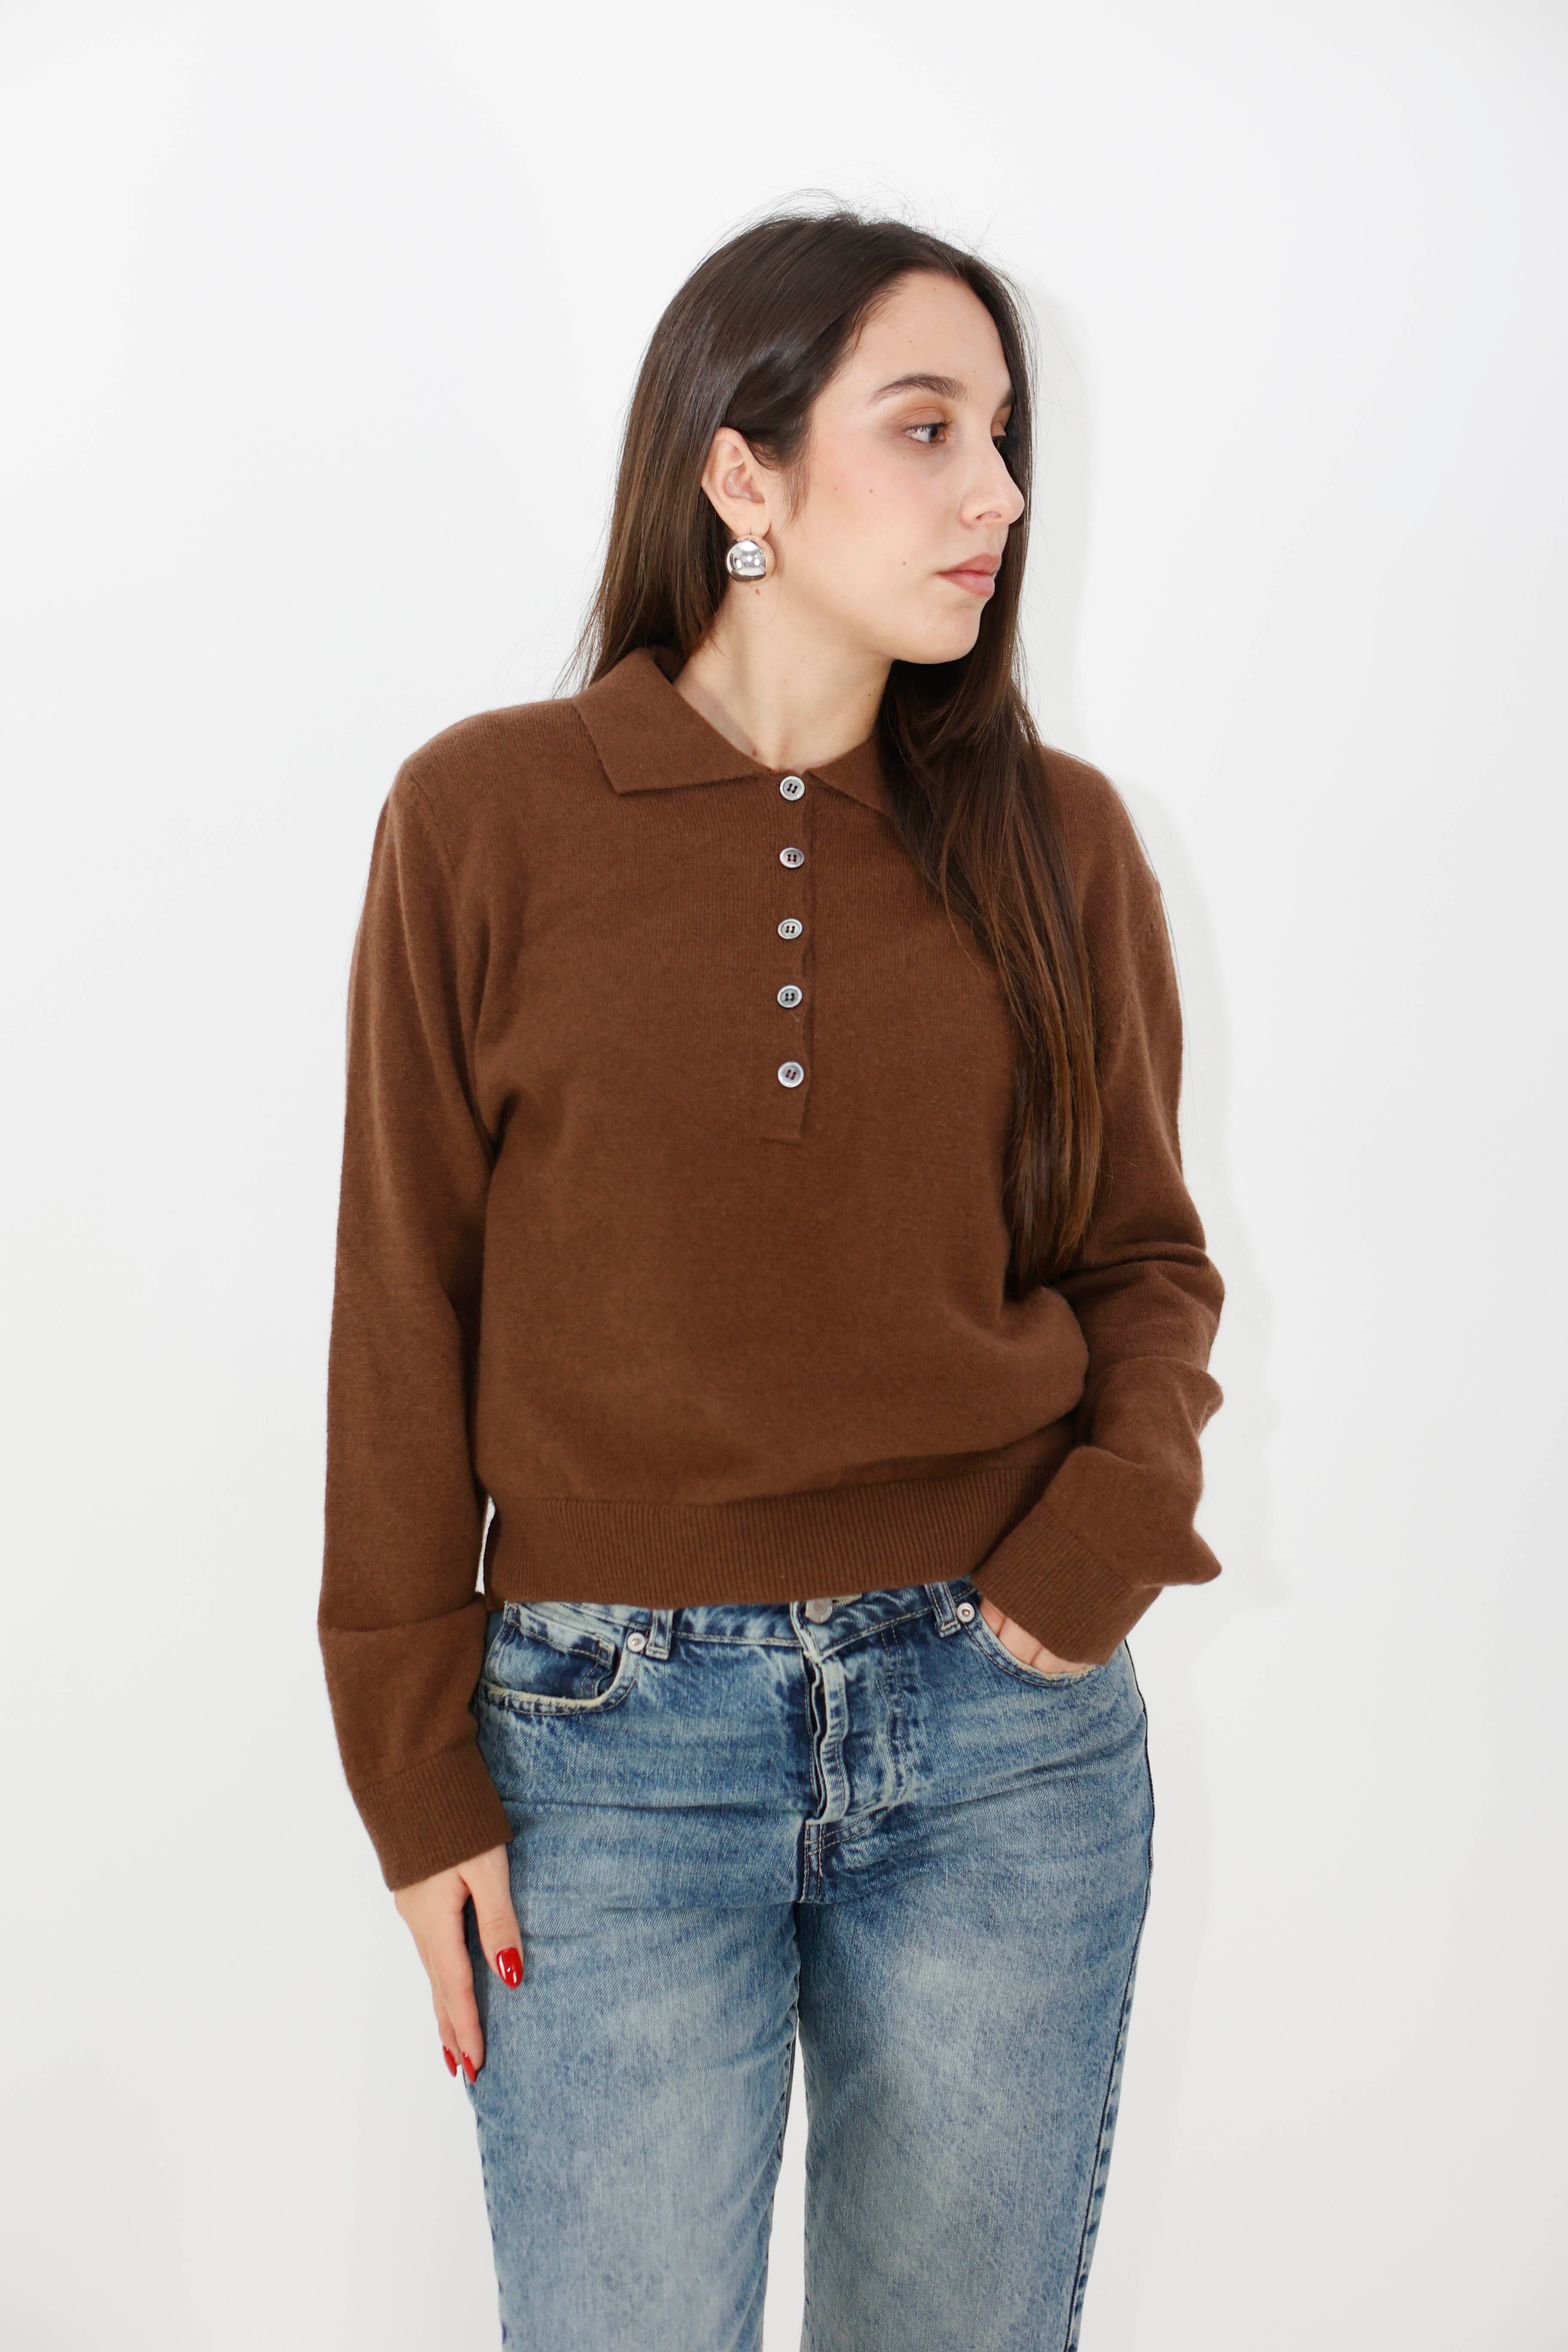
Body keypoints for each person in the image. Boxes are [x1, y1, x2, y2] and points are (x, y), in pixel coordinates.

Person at [317, 205, 1225, 2352]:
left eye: (1005, 435)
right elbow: (401, 1308)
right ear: (743, 470)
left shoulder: (1061, 837)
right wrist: (414, 1771)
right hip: (602, 1758)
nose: (996, 492)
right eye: (926, 428)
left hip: (1001, 1741)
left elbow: (1143, 1263)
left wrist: (1100, 1540)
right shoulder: (483, 817)